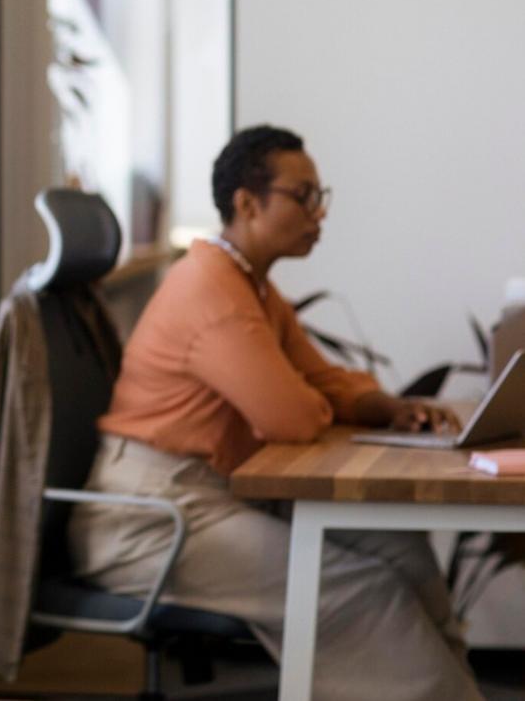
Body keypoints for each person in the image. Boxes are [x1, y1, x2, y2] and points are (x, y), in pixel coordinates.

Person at [68, 125, 480, 701]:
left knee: (400, 549)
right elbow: (293, 416)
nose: (319, 213)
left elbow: (322, 380)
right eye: (303, 196)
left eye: (321, 197)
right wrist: (312, 398)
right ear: (246, 203)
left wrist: (387, 408)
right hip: (151, 519)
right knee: (358, 589)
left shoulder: (251, 286)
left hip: (210, 498)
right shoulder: (210, 291)